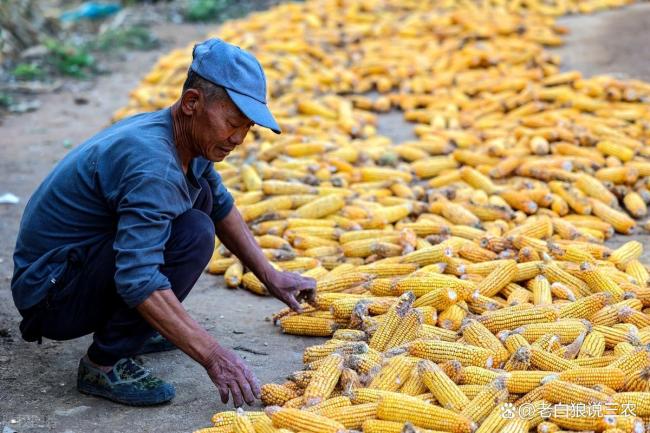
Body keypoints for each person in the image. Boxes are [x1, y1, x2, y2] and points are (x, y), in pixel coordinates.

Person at [11, 38, 316, 407]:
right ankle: (103, 363)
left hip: (72, 266)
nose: (238, 139)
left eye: (247, 127)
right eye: (233, 123)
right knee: (194, 234)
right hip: (51, 294)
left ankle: (141, 324)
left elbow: (220, 204)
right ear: (191, 103)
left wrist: (270, 275)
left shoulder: (186, 137)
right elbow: (137, 277)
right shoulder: (153, 165)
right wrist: (214, 355)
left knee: (201, 202)